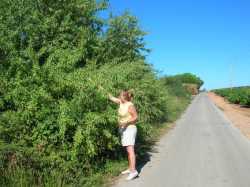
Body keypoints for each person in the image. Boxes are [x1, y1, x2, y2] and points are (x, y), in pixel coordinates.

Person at [108, 90, 139, 180]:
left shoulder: (130, 105)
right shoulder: (121, 103)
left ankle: (133, 172)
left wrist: (126, 122)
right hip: (123, 129)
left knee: (130, 150)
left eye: (120, 96)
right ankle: (130, 168)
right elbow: (111, 97)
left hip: (130, 129)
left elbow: (135, 117)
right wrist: (100, 87)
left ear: (124, 97)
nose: (118, 97)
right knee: (128, 149)